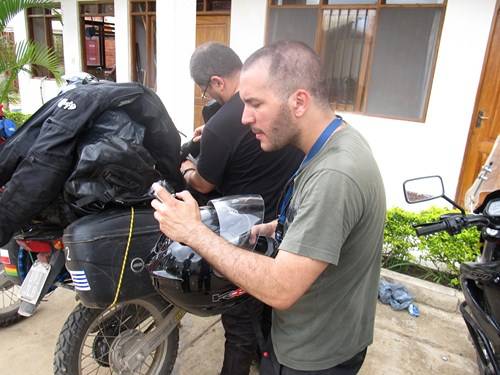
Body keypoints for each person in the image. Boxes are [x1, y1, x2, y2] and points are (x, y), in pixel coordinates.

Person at [152, 41, 386, 374]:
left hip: (314, 354)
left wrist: (194, 232)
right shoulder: (336, 140)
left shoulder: (335, 174)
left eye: (255, 104)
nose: (245, 118)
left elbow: (281, 288)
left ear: (299, 102)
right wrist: (283, 228)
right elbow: (336, 226)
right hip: (319, 333)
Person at [181, 42, 303, 375]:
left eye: (206, 89)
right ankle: (264, 354)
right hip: (282, 223)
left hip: (245, 233)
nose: (247, 116)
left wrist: (186, 169)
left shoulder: (222, 125)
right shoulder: (280, 114)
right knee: (262, 312)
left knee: (237, 326)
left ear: (217, 81)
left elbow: (204, 183)